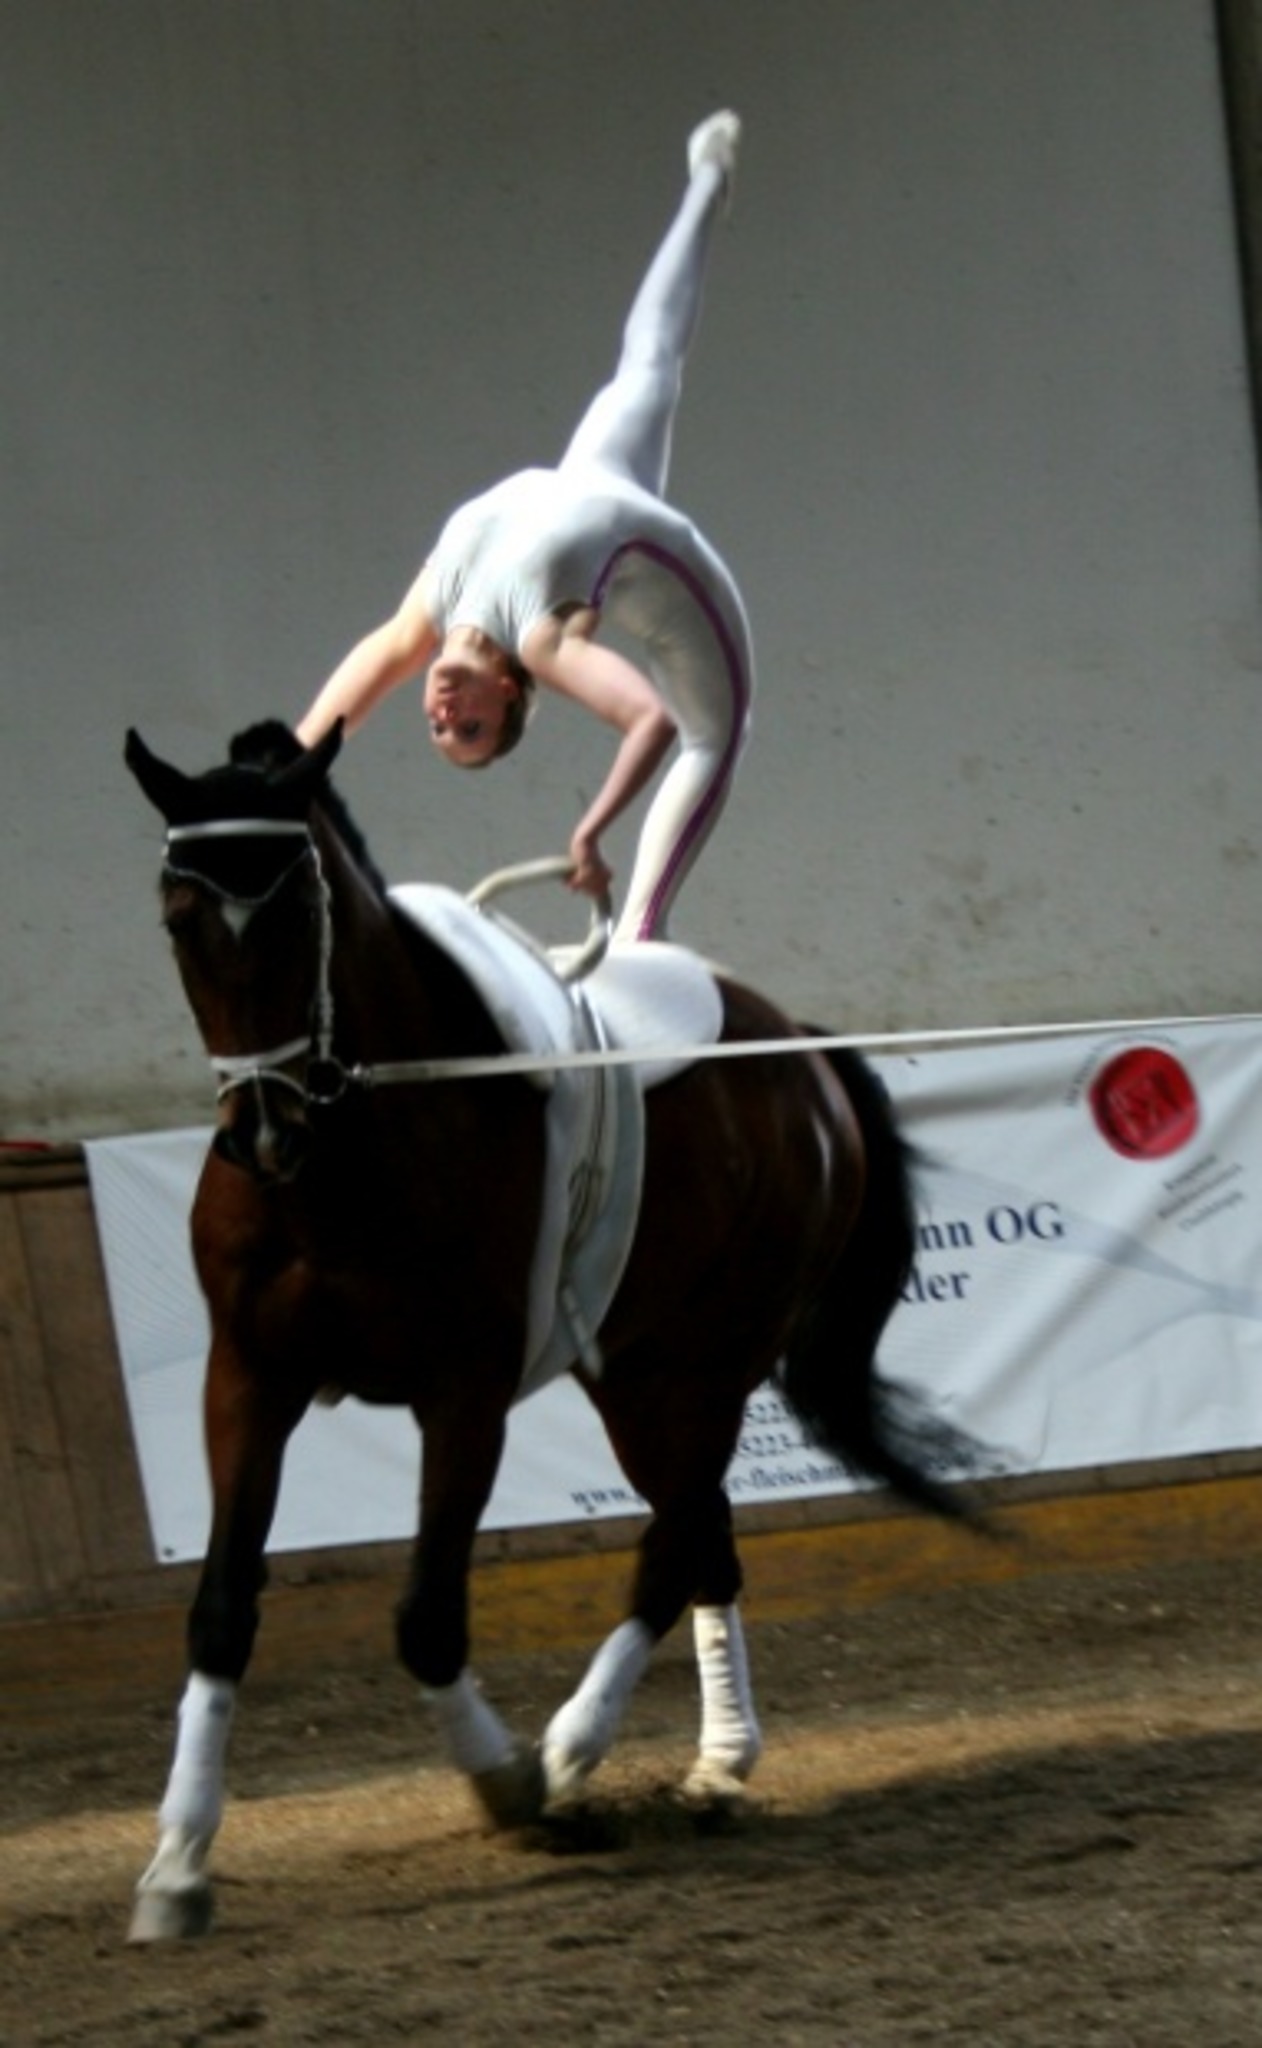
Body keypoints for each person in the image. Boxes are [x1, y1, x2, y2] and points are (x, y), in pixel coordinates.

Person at [297, 111, 752, 943]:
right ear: (508, 694)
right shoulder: (540, 644)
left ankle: (709, 176)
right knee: (712, 737)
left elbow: (363, 681)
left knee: (649, 358)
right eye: (467, 729)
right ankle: (640, 933)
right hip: (680, 578)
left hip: (598, 481)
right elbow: (650, 720)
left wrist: (290, 769)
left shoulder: (436, 612)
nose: (442, 714)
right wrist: (592, 832)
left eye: (438, 730)